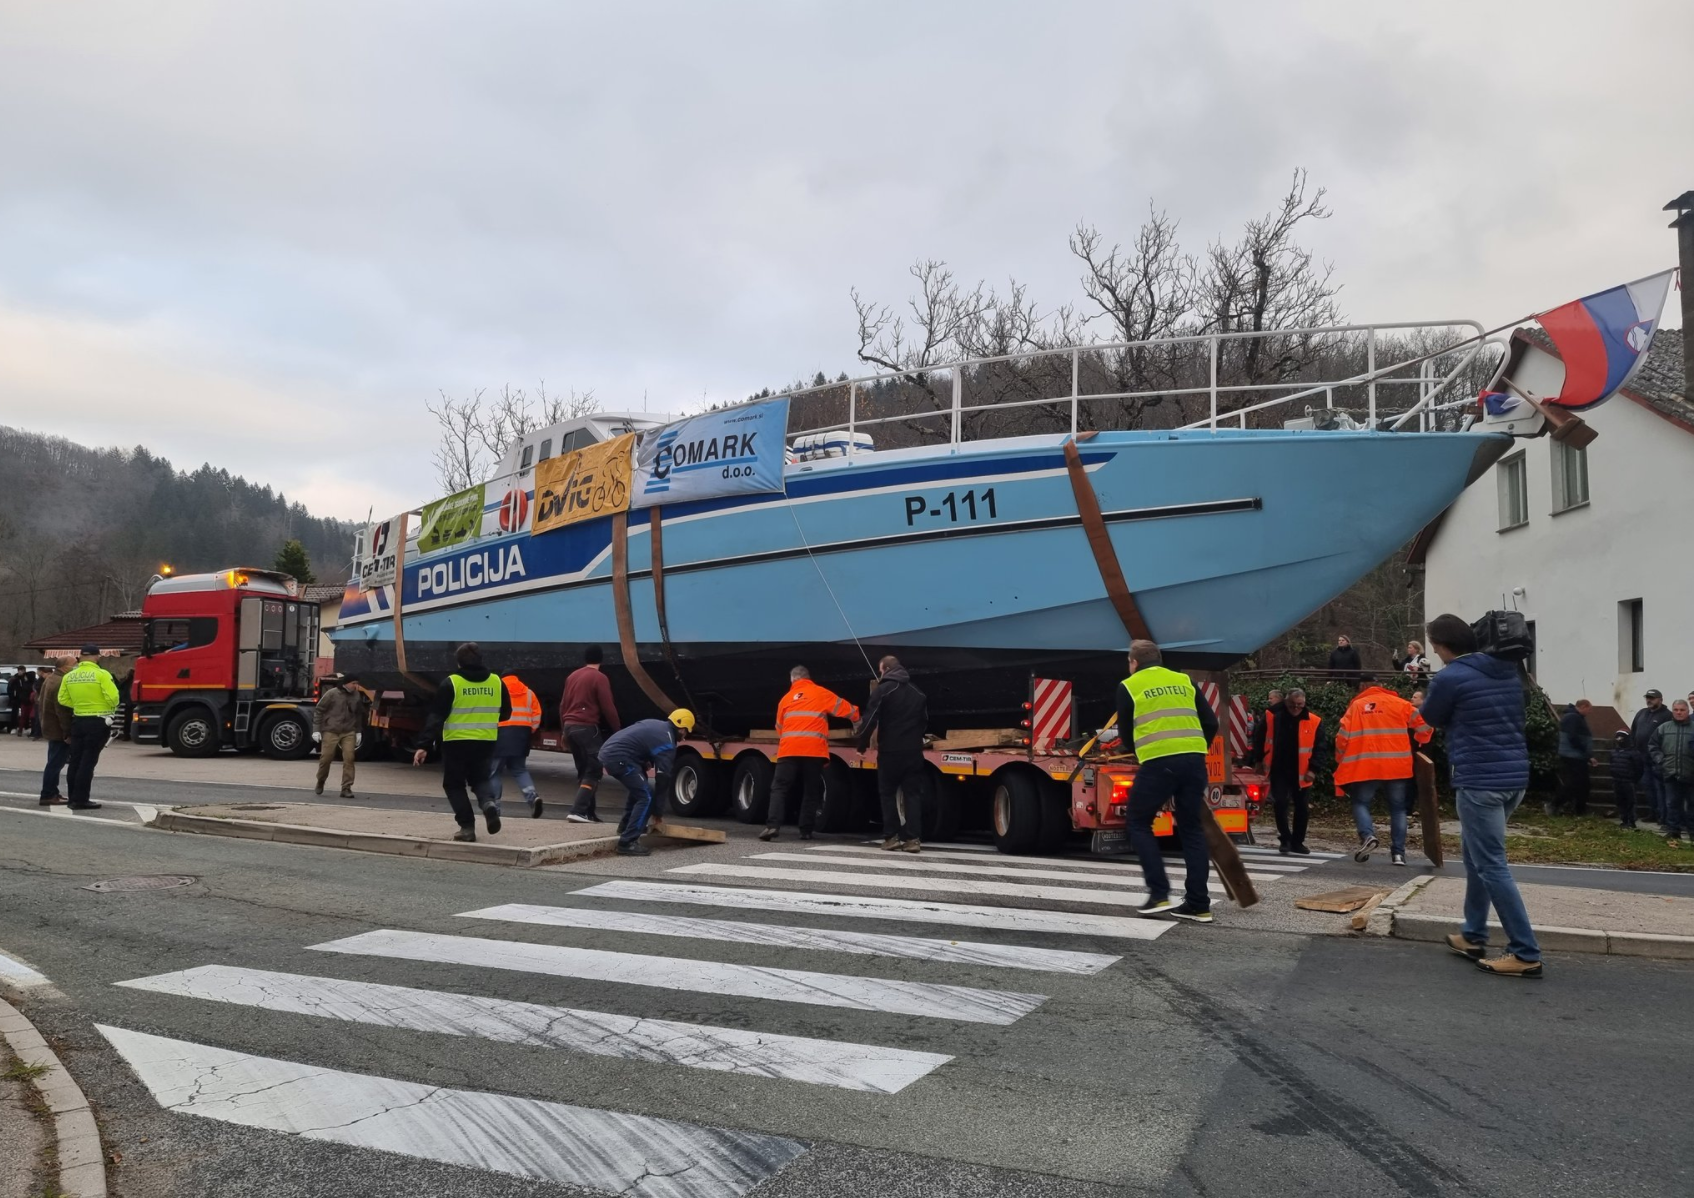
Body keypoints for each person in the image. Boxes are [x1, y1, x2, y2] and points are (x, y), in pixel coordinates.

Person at [1420, 613, 1541, 978]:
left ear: (1441, 646)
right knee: (1475, 859)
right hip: (1513, 780)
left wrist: (1421, 700)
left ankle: (1525, 952)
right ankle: (1473, 934)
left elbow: (1431, 716)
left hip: (1479, 782)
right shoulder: (1507, 670)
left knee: (1491, 865)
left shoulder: (1451, 676)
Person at [1116, 640, 1218, 922]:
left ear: (1134, 662)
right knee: (1191, 830)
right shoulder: (1184, 681)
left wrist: (1146, 753)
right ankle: (1198, 904)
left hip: (1159, 763)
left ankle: (1159, 893)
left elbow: (1126, 736)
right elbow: (1210, 723)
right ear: (1158, 659)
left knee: (1138, 822)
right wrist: (1196, 750)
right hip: (1194, 761)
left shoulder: (1130, 685)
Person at [410, 643, 510, 842]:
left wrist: (423, 745)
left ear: (458, 662)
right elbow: (506, 713)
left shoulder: (451, 683)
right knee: (480, 779)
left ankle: (467, 827)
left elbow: (437, 717)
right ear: (481, 660)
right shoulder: (497, 682)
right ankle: (488, 804)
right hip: (485, 740)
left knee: (454, 785)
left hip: (456, 742)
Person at [1334, 675, 1429, 866]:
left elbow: (1342, 737)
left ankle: (1368, 836)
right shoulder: (1400, 703)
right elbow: (1424, 725)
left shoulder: (1357, 706)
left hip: (1365, 766)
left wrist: (1340, 760)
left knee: (1361, 802)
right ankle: (1398, 854)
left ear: (1363, 686)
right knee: (1398, 809)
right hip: (1397, 766)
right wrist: (1421, 740)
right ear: (1381, 686)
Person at [761, 666, 860, 842]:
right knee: (811, 791)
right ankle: (806, 831)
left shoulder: (785, 699)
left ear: (792, 680)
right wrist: (857, 718)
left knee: (779, 788)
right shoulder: (820, 693)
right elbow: (845, 708)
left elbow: (779, 727)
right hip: (814, 751)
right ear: (808, 677)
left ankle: (772, 826)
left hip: (789, 750)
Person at [855, 655, 930, 853]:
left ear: (885, 669)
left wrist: (861, 744)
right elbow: (924, 722)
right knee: (912, 795)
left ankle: (891, 837)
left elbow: (869, 719)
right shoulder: (918, 693)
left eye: (880, 671)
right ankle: (913, 839)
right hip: (913, 752)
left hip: (890, 751)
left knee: (887, 793)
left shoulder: (883, 690)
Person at [598, 709, 693, 856]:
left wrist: (643, 761)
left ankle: (626, 826)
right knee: (647, 796)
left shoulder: (656, 725)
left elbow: (639, 742)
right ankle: (627, 842)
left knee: (639, 788)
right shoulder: (667, 742)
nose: (685, 736)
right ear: (682, 728)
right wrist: (658, 813)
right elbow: (663, 780)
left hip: (612, 752)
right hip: (619, 758)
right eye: (687, 731)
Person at [1247, 687, 1324, 855]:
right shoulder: (1273, 716)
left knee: (1302, 807)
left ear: (1304, 704)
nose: (1296, 708)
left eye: (1300, 705)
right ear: (1286, 703)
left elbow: (1319, 748)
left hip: (1302, 771)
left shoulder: (1314, 721)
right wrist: (1258, 760)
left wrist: (1313, 769)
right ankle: (1285, 838)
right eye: (1292, 705)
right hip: (1279, 768)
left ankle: (1298, 842)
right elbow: (1260, 738)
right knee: (1280, 803)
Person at [560, 646, 621, 824]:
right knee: (594, 770)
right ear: (601, 659)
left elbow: (563, 705)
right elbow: (608, 707)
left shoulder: (572, 676)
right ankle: (577, 811)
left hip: (570, 727)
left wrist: (564, 730)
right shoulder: (599, 678)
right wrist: (618, 731)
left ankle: (588, 813)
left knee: (584, 770)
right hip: (587, 727)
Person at [57, 645, 120, 811]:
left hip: (78, 720)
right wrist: (104, 706)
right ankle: (81, 799)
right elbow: (113, 698)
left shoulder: (69, 676)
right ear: (96, 657)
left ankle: (72, 798)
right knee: (88, 761)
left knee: (75, 761)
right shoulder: (102, 674)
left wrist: (80, 705)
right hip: (98, 721)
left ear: (81, 657)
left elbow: (62, 699)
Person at [490, 671, 544, 817]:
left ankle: (495, 807)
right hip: (521, 735)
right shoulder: (528, 692)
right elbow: (537, 713)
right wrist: (530, 730)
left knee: (494, 772)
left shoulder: (496, 690)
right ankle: (533, 797)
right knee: (520, 769)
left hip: (499, 734)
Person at [312, 673, 367, 799]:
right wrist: (316, 730)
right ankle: (321, 780)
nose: (355, 686)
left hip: (348, 731)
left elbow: (358, 714)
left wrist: (358, 731)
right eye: (353, 683)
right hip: (331, 730)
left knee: (349, 759)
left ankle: (346, 788)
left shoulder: (356, 695)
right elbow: (319, 710)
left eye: (357, 683)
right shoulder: (332, 694)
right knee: (326, 758)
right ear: (346, 683)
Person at [1647, 699, 1694, 846]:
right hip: (1670, 773)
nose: (1679, 712)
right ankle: (1674, 832)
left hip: (1691, 774)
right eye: (1676, 710)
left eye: (1682, 710)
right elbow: (1653, 745)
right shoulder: (1663, 728)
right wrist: (1660, 760)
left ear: (1688, 711)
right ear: (1673, 711)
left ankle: (1693, 833)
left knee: (1692, 805)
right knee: (1672, 803)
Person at [1630, 690, 1674, 825]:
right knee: (1647, 787)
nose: (1649, 700)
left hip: (1658, 759)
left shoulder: (1667, 715)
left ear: (1660, 699)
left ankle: (1663, 816)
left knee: (1659, 789)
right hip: (1642, 757)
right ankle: (1653, 813)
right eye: (1648, 698)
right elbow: (1634, 731)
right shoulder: (1641, 713)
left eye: (1652, 698)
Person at [1552, 700, 1596, 816]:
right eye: (1589, 709)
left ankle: (1579, 809)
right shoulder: (1573, 718)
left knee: (1581, 784)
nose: (1589, 712)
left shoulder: (1572, 717)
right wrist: (1585, 752)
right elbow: (1573, 737)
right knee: (1576, 784)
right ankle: (1556, 805)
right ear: (1583, 706)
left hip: (1575, 755)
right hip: (1574, 756)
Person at [37, 659, 71, 806]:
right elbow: (61, 710)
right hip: (57, 729)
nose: (75, 666)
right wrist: (67, 731)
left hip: (50, 726)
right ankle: (48, 794)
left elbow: (40, 702)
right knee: (55, 763)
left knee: (53, 761)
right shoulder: (60, 682)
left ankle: (52, 792)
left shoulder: (51, 678)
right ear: (65, 667)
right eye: (73, 664)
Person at [1609, 730, 1640, 829]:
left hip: (1629, 781)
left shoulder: (1634, 753)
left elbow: (1639, 768)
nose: (1619, 740)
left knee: (1630, 802)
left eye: (1621, 738)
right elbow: (1611, 764)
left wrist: (1634, 779)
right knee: (1620, 801)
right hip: (1617, 780)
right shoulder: (1613, 752)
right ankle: (1624, 820)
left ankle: (1631, 821)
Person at [18, 670, 38, 739]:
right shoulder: (25, 683)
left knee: (32, 717)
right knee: (23, 717)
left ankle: (33, 731)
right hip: (25, 702)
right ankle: (20, 730)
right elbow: (21, 692)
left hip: (31, 703)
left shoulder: (34, 684)